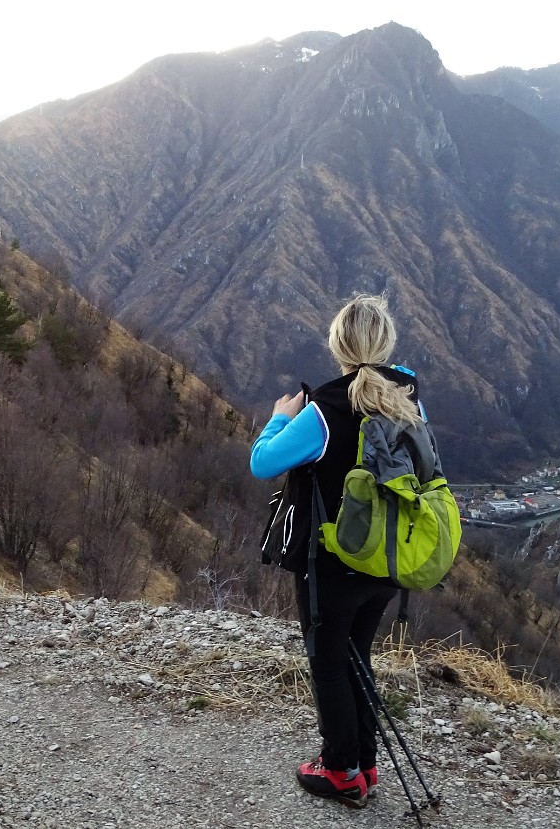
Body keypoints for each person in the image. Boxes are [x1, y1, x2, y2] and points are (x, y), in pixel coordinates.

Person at [249, 293, 429, 808]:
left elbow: (264, 462)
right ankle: (363, 764)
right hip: (388, 557)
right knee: (357, 656)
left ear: (338, 346)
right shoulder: (409, 396)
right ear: (386, 342)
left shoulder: (325, 409)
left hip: (330, 561)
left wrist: (280, 417)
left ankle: (341, 772)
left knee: (327, 661)